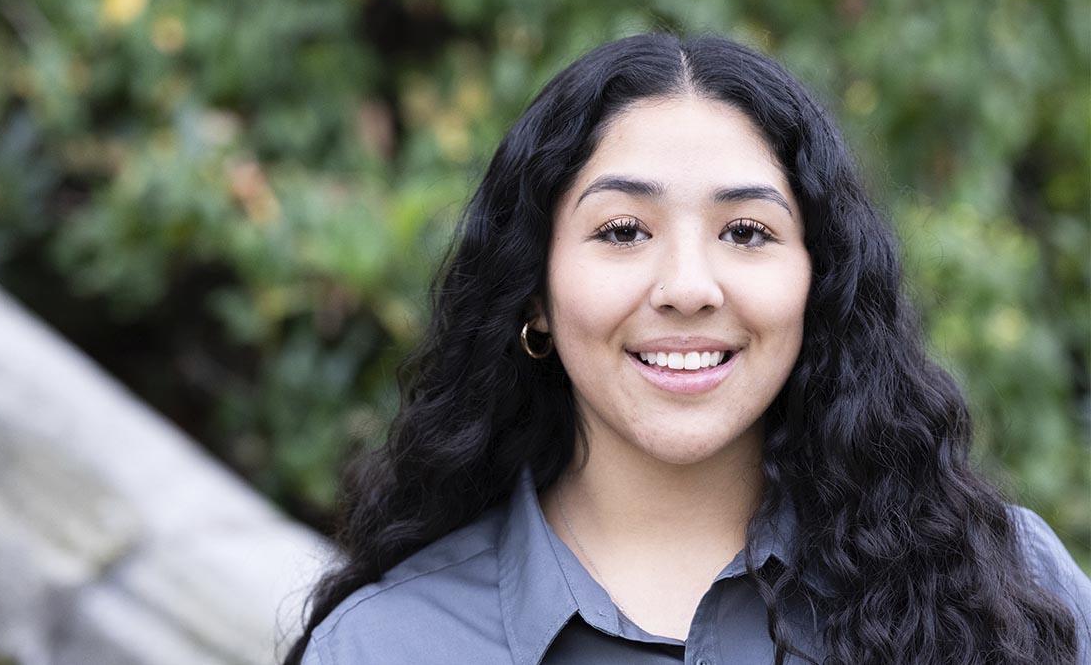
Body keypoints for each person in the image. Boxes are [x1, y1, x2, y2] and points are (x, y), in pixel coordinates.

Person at [281, 32, 1090, 664]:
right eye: (623, 230)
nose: (689, 286)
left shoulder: (1009, 591)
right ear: (536, 290)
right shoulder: (381, 646)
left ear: (820, 280)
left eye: (747, 231)